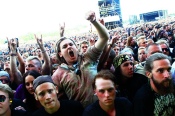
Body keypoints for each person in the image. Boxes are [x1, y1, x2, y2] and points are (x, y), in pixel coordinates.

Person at [52, 11, 109, 107]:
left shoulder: (89, 57)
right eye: (65, 46)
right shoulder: (58, 75)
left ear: (76, 48)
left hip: (101, 107)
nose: (69, 47)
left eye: (71, 44)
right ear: (60, 54)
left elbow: (104, 37)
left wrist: (94, 21)